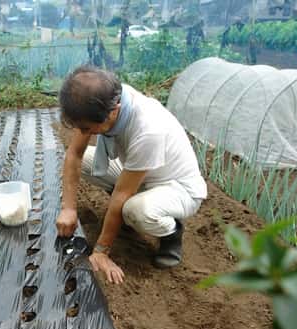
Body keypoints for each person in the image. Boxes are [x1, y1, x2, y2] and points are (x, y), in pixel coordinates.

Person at [56, 65, 207, 285]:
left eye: (88, 128)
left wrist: (101, 251)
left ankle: (171, 232)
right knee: (88, 161)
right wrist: (68, 208)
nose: (85, 133)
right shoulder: (105, 99)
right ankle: (125, 213)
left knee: (134, 210)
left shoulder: (148, 129)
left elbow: (121, 194)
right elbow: (74, 155)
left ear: (113, 111)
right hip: (142, 173)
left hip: (177, 187)